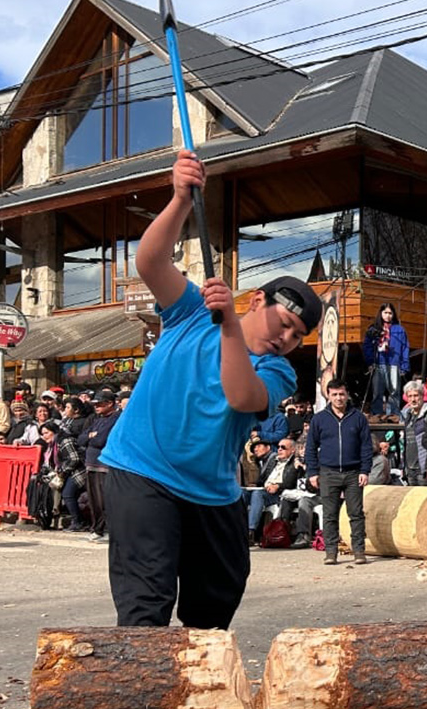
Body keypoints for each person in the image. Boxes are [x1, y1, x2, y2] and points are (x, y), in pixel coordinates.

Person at [100, 149, 317, 629]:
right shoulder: (192, 310)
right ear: (258, 300)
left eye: (298, 335)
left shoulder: (278, 372)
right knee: (146, 599)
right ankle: (145, 696)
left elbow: (241, 396)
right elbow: (151, 261)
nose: (287, 338)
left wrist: (232, 328)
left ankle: (201, 689)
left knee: (217, 598)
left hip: (212, 493)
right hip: (143, 470)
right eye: (284, 323)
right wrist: (179, 200)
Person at [305, 379, 372, 565]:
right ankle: (331, 552)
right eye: (334, 394)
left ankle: (359, 551)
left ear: (347, 394)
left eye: (341, 394)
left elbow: (366, 447)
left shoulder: (358, 418)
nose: (338, 398)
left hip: (353, 472)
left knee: (356, 514)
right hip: (328, 472)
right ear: (328, 395)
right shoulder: (319, 419)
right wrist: (312, 472)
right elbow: (310, 447)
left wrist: (365, 470)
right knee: (329, 515)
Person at [83, 389, 121, 543]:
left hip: (104, 465)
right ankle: (96, 529)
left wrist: (92, 437)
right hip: (91, 464)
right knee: (94, 501)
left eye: (100, 403)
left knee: (105, 500)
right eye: (95, 404)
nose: (96, 406)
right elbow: (81, 438)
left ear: (110, 403)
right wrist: (90, 436)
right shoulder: (97, 419)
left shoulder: (116, 418)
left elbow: (100, 440)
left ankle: (108, 530)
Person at [362, 303, 410, 418]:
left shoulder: (399, 329)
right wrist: (370, 361)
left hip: (394, 362)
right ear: (381, 313)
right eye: (385, 313)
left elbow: (405, 347)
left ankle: (393, 415)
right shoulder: (373, 328)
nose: (388, 316)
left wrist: (404, 364)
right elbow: (367, 346)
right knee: (377, 392)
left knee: (394, 391)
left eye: (390, 313)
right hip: (378, 363)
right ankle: (377, 415)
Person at [400, 380, 427, 484]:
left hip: (422, 467)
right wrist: (403, 466)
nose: (413, 399)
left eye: (416, 396)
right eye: (410, 396)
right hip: (409, 468)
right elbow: (405, 443)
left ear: (422, 396)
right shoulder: (408, 415)